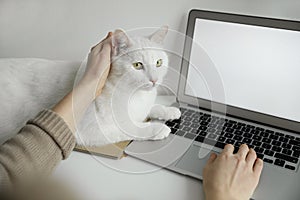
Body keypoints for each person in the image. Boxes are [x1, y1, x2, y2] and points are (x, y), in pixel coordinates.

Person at [0, 32, 263, 200]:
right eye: (138, 66)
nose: (154, 78)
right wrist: (141, 129)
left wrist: (150, 112)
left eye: (159, 64)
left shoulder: (141, 87)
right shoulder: (104, 84)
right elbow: (85, 133)